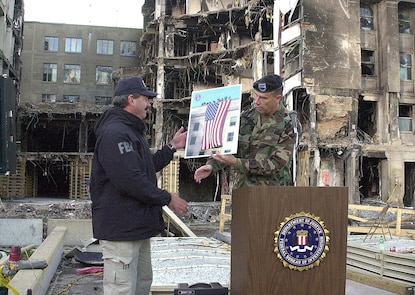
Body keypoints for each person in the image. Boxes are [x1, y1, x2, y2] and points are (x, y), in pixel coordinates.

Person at [90, 76, 188, 295]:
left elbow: (144, 167)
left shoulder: (130, 131)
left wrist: (172, 147)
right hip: (121, 231)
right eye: (146, 98)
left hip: (136, 229)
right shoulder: (115, 133)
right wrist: (167, 198)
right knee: (122, 289)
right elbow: (130, 180)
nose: (149, 103)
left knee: (142, 284)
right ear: (131, 100)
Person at [194, 74, 298, 187]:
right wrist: (212, 165)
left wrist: (236, 163)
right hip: (243, 191)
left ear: (278, 98)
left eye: (263, 98)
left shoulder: (288, 123)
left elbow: (275, 164)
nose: (257, 102)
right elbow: (229, 148)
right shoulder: (246, 117)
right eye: (256, 96)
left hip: (272, 195)